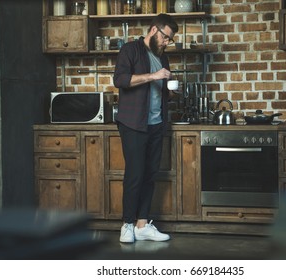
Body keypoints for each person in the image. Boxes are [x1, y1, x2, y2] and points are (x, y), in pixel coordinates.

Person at [113, 14, 179, 243]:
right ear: (153, 30)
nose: (167, 42)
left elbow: (159, 91)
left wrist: (170, 90)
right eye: (166, 37)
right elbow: (120, 80)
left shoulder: (162, 58)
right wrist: (153, 76)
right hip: (133, 123)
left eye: (170, 40)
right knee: (135, 174)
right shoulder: (130, 50)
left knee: (150, 175)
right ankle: (127, 225)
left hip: (156, 123)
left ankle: (142, 224)